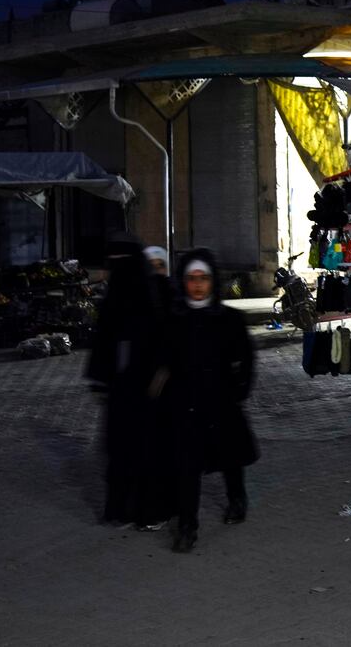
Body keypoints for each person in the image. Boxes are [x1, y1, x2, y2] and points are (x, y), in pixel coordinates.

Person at [154, 248, 258, 553]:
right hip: (185, 406)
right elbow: (163, 362)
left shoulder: (228, 319)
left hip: (221, 402)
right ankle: (188, 526)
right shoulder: (173, 321)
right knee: (187, 467)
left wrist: (240, 391)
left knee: (230, 458)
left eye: (203, 278)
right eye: (192, 278)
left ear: (213, 281)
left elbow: (246, 359)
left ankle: (237, 499)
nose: (198, 285)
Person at [85, 232, 172, 529]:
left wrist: (161, 371)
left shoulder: (152, 293)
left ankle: (148, 511)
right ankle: (122, 509)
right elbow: (105, 341)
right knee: (121, 452)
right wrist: (101, 380)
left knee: (147, 452)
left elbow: (163, 338)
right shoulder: (118, 296)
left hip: (147, 390)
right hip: (122, 390)